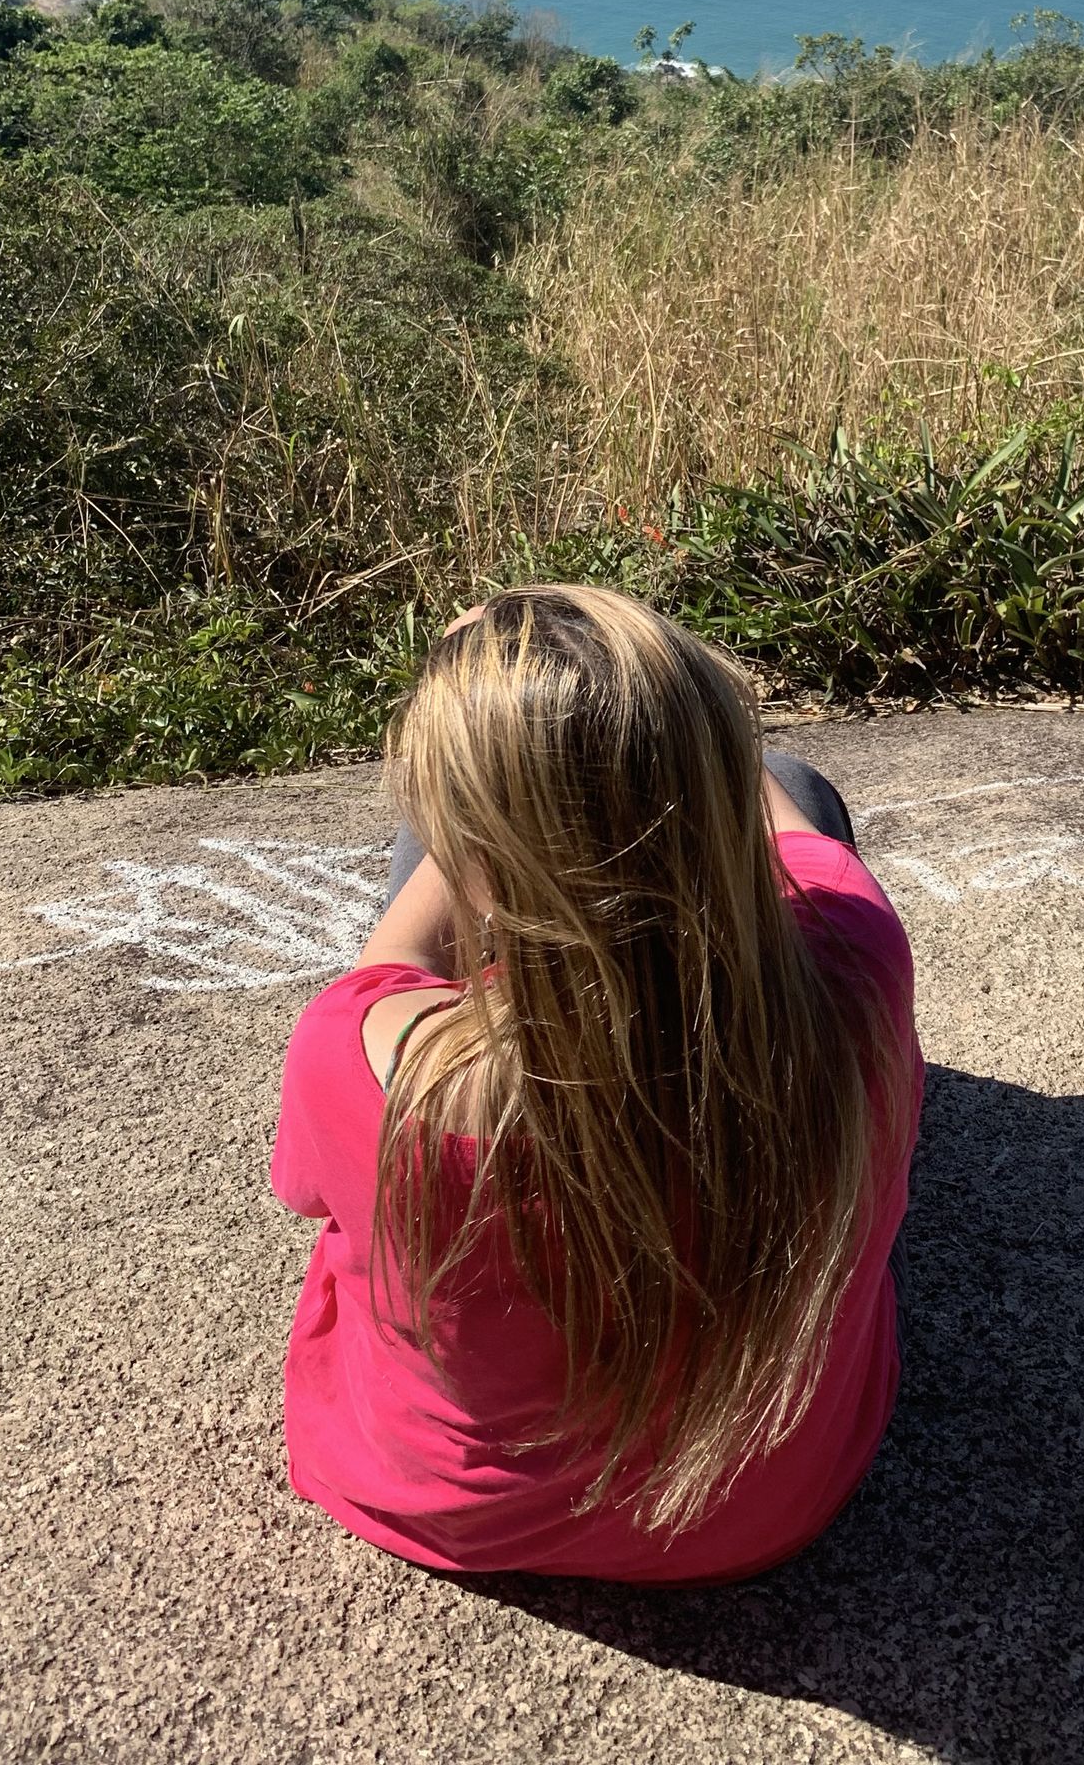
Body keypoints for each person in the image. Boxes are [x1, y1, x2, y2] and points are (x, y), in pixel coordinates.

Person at [270, 584, 924, 1583]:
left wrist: (490, 760)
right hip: (757, 1505)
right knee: (800, 782)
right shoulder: (860, 952)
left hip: (459, 1513)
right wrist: (658, 727)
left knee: (420, 865)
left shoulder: (365, 1060)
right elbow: (780, 817)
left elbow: (376, 993)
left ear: (490, 848)